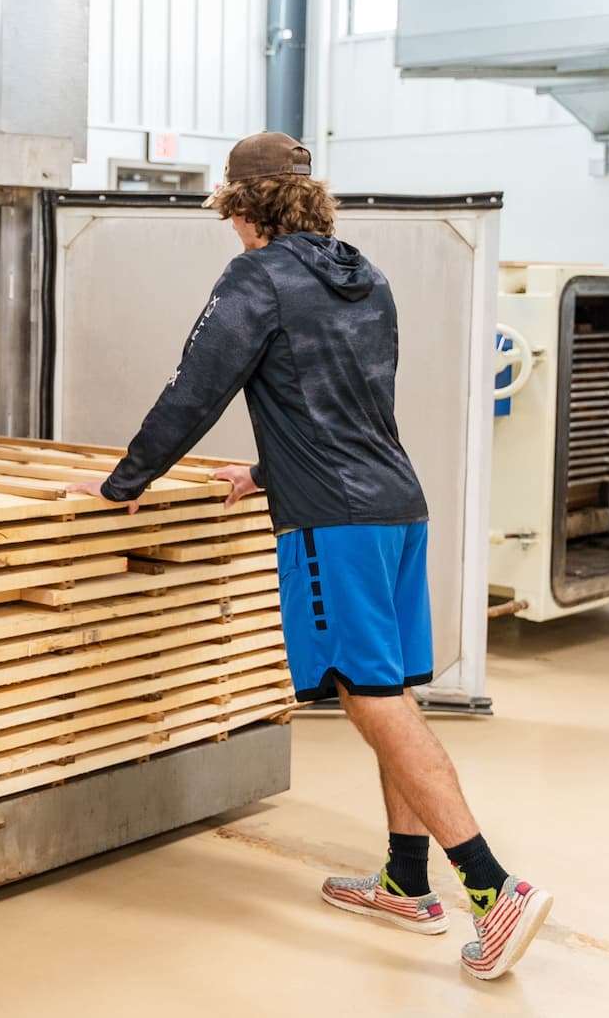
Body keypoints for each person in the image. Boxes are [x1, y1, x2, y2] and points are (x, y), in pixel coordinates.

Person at [69, 132, 554, 981]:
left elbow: (197, 386)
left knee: (371, 700)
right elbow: (348, 403)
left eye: (230, 211)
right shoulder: (366, 274)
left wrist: (124, 483)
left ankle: (490, 883)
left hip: (335, 523)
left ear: (244, 206)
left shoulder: (257, 278)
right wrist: (265, 472)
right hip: (399, 508)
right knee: (393, 691)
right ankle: (407, 880)